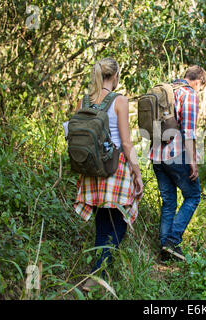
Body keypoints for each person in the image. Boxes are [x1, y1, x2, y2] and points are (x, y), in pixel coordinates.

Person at [65, 58, 143, 291]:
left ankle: (95, 274)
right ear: (116, 76)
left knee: (102, 225)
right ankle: (96, 276)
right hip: (114, 169)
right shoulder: (119, 101)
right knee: (119, 224)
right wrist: (137, 173)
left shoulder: (86, 99)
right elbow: (126, 143)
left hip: (91, 170)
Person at [149, 65, 206, 261]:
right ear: (198, 82)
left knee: (169, 203)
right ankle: (172, 241)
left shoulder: (168, 91)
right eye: (201, 87)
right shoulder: (188, 94)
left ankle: (166, 250)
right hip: (176, 155)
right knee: (193, 197)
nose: (199, 91)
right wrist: (193, 162)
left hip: (157, 155)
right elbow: (188, 132)